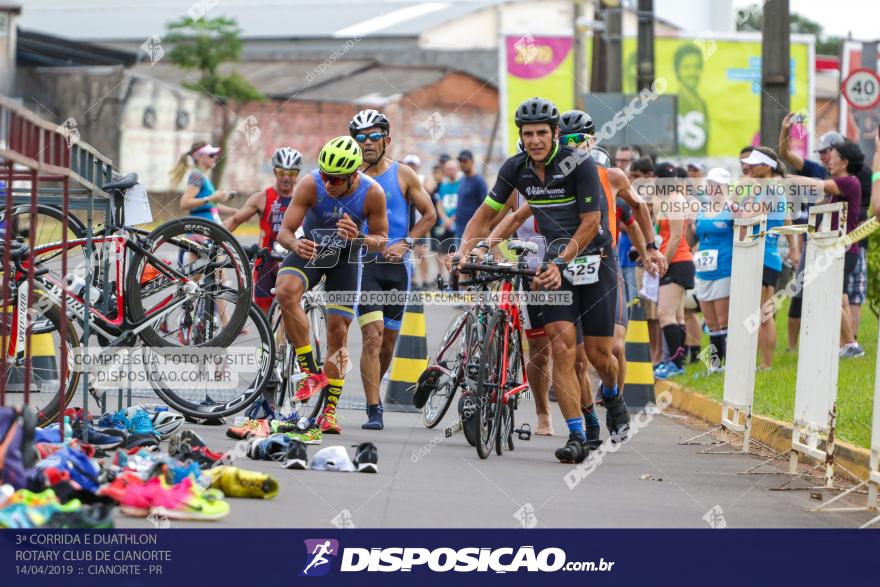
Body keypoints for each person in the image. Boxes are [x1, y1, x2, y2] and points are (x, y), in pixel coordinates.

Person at [459, 97, 626, 464]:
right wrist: (466, 251)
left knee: (601, 355)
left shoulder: (577, 165)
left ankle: (612, 397)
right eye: (528, 133)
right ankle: (577, 435)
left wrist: (562, 261)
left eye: (542, 133)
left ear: (555, 134)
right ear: (521, 136)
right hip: (553, 269)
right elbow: (485, 215)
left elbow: (590, 223)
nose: (535, 140)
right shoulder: (514, 168)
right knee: (563, 349)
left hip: (593, 261)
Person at [275, 136, 388, 434]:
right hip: (312, 249)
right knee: (285, 291)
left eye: (335, 180)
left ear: (353, 176)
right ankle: (310, 371)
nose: (328, 184)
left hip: (346, 257)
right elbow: (284, 231)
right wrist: (295, 244)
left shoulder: (372, 193)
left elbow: (382, 241)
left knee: (338, 333)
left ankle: (329, 412)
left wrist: (359, 239)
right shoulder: (311, 184)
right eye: (324, 176)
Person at [348, 109, 436, 430]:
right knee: (372, 338)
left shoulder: (404, 175)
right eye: (360, 138)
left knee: (387, 343)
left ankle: (376, 390)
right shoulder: (351, 177)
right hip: (364, 267)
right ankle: (374, 408)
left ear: (387, 139)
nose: (367, 143)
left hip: (399, 270)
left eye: (374, 137)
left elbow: (429, 215)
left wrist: (407, 243)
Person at [792, 140, 865, 359]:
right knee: (840, 299)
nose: (827, 160)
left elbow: (817, 186)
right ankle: (846, 344)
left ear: (844, 161)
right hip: (838, 250)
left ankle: (851, 343)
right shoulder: (840, 183)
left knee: (833, 298)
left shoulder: (849, 182)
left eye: (832, 156)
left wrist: (785, 178)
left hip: (843, 250)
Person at [778, 119, 843, 350]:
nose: (824, 157)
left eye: (827, 152)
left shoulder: (850, 177)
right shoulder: (814, 170)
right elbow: (786, 153)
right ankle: (793, 347)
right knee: (799, 293)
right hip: (811, 240)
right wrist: (786, 130)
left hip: (838, 242)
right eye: (821, 153)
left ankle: (840, 344)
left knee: (835, 296)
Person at [739, 147, 800, 370]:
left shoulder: (771, 188)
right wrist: (793, 248)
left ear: (767, 166)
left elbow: (746, 216)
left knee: (763, 312)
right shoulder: (764, 189)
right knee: (761, 312)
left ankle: (765, 364)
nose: (749, 168)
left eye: (754, 164)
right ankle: (761, 363)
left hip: (764, 254)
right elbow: (786, 220)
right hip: (762, 253)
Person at [223, 147, 303, 313]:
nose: (287, 177)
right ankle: (269, 338)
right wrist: (212, 236)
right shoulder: (261, 198)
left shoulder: (303, 198)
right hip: (265, 262)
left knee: (289, 311)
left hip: (292, 260)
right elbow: (235, 220)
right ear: (274, 171)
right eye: (282, 172)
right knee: (263, 315)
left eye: (292, 173)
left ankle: (284, 339)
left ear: (298, 174)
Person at [688, 168, 734, 371]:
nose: (713, 188)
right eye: (711, 185)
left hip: (725, 268)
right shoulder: (701, 210)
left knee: (724, 320)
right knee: (710, 321)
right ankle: (714, 366)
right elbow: (692, 240)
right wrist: (689, 226)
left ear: (726, 186)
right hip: (703, 270)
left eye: (718, 185)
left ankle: (729, 364)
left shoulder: (732, 209)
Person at [171, 142, 237, 223]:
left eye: (215, 155)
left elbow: (211, 206)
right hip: (200, 232)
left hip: (208, 228)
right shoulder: (197, 175)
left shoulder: (203, 176)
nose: (215, 157)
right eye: (211, 155)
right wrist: (211, 198)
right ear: (199, 157)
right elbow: (184, 203)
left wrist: (235, 212)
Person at [402, 154, 433, 290]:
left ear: (417, 166)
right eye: (409, 164)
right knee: (408, 252)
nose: (411, 167)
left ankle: (425, 279)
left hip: (420, 222)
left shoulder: (421, 179)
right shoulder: (401, 179)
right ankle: (413, 280)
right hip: (406, 222)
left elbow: (430, 188)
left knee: (421, 252)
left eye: (413, 165)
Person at [674, 43, 709, 157]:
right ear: (678, 71)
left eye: (697, 66)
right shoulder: (676, 102)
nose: (693, 72)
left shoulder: (700, 103)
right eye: (687, 67)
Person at [433, 159, 460, 279]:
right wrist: (445, 219)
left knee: (455, 251)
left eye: (452, 169)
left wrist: (453, 219)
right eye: (448, 169)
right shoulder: (443, 185)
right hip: (444, 223)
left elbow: (462, 204)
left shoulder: (461, 184)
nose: (450, 171)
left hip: (457, 223)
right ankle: (442, 277)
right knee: (441, 250)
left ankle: (454, 277)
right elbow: (439, 203)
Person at [454, 150, 487, 245]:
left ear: (472, 162)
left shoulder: (479, 181)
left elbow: (484, 207)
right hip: (459, 228)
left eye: (465, 161)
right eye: (460, 161)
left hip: (472, 231)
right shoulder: (462, 180)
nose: (462, 164)